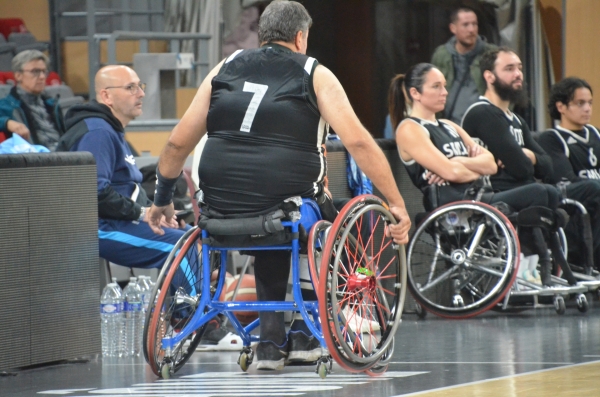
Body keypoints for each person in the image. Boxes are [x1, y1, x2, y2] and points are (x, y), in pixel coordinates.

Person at [148, 0, 411, 371]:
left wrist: (161, 199)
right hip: (287, 205)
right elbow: (360, 143)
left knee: (275, 219)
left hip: (218, 209)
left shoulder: (226, 66)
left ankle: (270, 342)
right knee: (316, 218)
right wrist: (396, 202)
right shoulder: (314, 72)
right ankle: (304, 333)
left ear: (263, 34)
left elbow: (176, 143)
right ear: (301, 37)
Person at [57, 65, 241, 351]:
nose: (140, 93)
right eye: (130, 88)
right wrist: (142, 214)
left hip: (118, 223)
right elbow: (94, 193)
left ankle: (206, 313)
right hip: (95, 229)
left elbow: (128, 189)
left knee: (202, 235)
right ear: (106, 95)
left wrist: (158, 215)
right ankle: (195, 326)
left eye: (140, 85)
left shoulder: (112, 131)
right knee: (180, 248)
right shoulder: (97, 133)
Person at [389, 62, 557, 213]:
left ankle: (536, 248)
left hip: (479, 195)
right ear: (415, 93)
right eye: (436, 87)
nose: (445, 92)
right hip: (454, 204)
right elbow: (451, 172)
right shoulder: (410, 128)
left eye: (445, 86)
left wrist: (458, 161)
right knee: (539, 192)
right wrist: (471, 170)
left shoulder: (449, 125)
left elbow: (491, 165)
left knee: (551, 193)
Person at [537, 77, 600, 270]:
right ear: (561, 106)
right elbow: (566, 180)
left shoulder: (596, 134)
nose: (587, 109)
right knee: (593, 188)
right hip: (570, 197)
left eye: (589, 103)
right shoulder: (551, 138)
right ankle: (591, 266)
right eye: (580, 103)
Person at [431, 6, 496, 124]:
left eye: (474, 24)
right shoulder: (441, 55)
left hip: (483, 124)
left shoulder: (492, 54)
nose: (471, 29)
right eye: (465, 25)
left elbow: (506, 88)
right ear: (453, 28)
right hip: (449, 124)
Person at [0, 50, 65, 150]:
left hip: (63, 154)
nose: (42, 77)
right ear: (18, 75)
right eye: (35, 72)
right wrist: (6, 122)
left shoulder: (51, 104)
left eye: (44, 71)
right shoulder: (7, 105)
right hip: (35, 159)